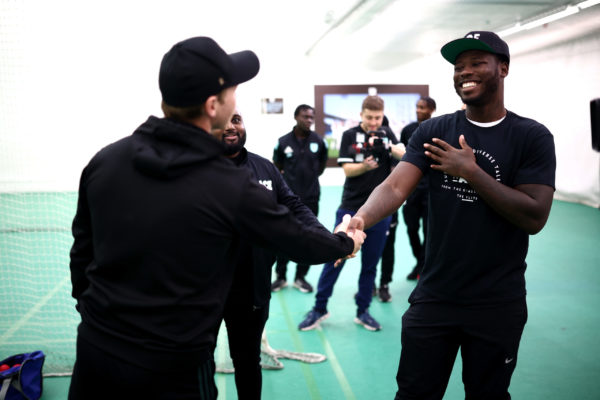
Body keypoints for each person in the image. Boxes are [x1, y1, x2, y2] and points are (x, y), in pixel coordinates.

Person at [67, 36, 365, 400]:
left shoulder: (105, 161)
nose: (235, 102)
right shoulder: (225, 185)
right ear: (213, 105)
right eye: (233, 92)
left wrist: (90, 310)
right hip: (173, 367)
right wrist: (345, 241)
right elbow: (296, 240)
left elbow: (81, 252)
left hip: (96, 353)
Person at [345, 31, 556, 399]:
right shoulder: (436, 130)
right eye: (459, 67)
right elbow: (396, 187)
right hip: (436, 296)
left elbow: (534, 216)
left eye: (477, 63)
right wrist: (361, 217)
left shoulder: (531, 137)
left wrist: (472, 172)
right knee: (414, 393)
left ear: (503, 68)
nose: (464, 72)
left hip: (497, 301)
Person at [215, 110, 326, 399]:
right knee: (197, 361)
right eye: (223, 122)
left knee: (247, 360)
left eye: (236, 120)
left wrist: (327, 239)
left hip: (252, 288)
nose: (231, 127)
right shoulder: (194, 169)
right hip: (205, 289)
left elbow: (294, 206)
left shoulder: (264, 168)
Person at [298, 95, 405, 332]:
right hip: (350, 208)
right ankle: (319, 308)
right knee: (334, 261)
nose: (374, 122)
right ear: (361, 114)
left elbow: (404, 154)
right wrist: (366, 166)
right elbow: (347, 170)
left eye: (378, 117)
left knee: (370, 265)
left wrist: (388, 146)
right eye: (369, 117)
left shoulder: (387, 134)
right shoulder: (349, 134)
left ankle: (362, 311)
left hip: (379, 211)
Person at [271, 104, 328, 293]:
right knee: (283, 237)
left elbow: (320, 167)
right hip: (286, 199)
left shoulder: (319, 142)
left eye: (311, 117)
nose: (309, 120)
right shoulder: (282, 142)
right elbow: (277, 166)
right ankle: (280, 277)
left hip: (311, 198)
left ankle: (300, 277)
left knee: (308, 237)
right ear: (296, 117)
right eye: (305, 117)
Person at [399, 96, 436, 280]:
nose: (418, 110)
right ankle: (420, 263)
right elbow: (401, 158)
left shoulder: (438, 129)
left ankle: (423, 266)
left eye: (423, 107)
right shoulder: (407, 130)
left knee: (429, 232)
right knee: (411, 229)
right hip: (411, 191)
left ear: (432, 109)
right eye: (417, 107)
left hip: (431, 191)